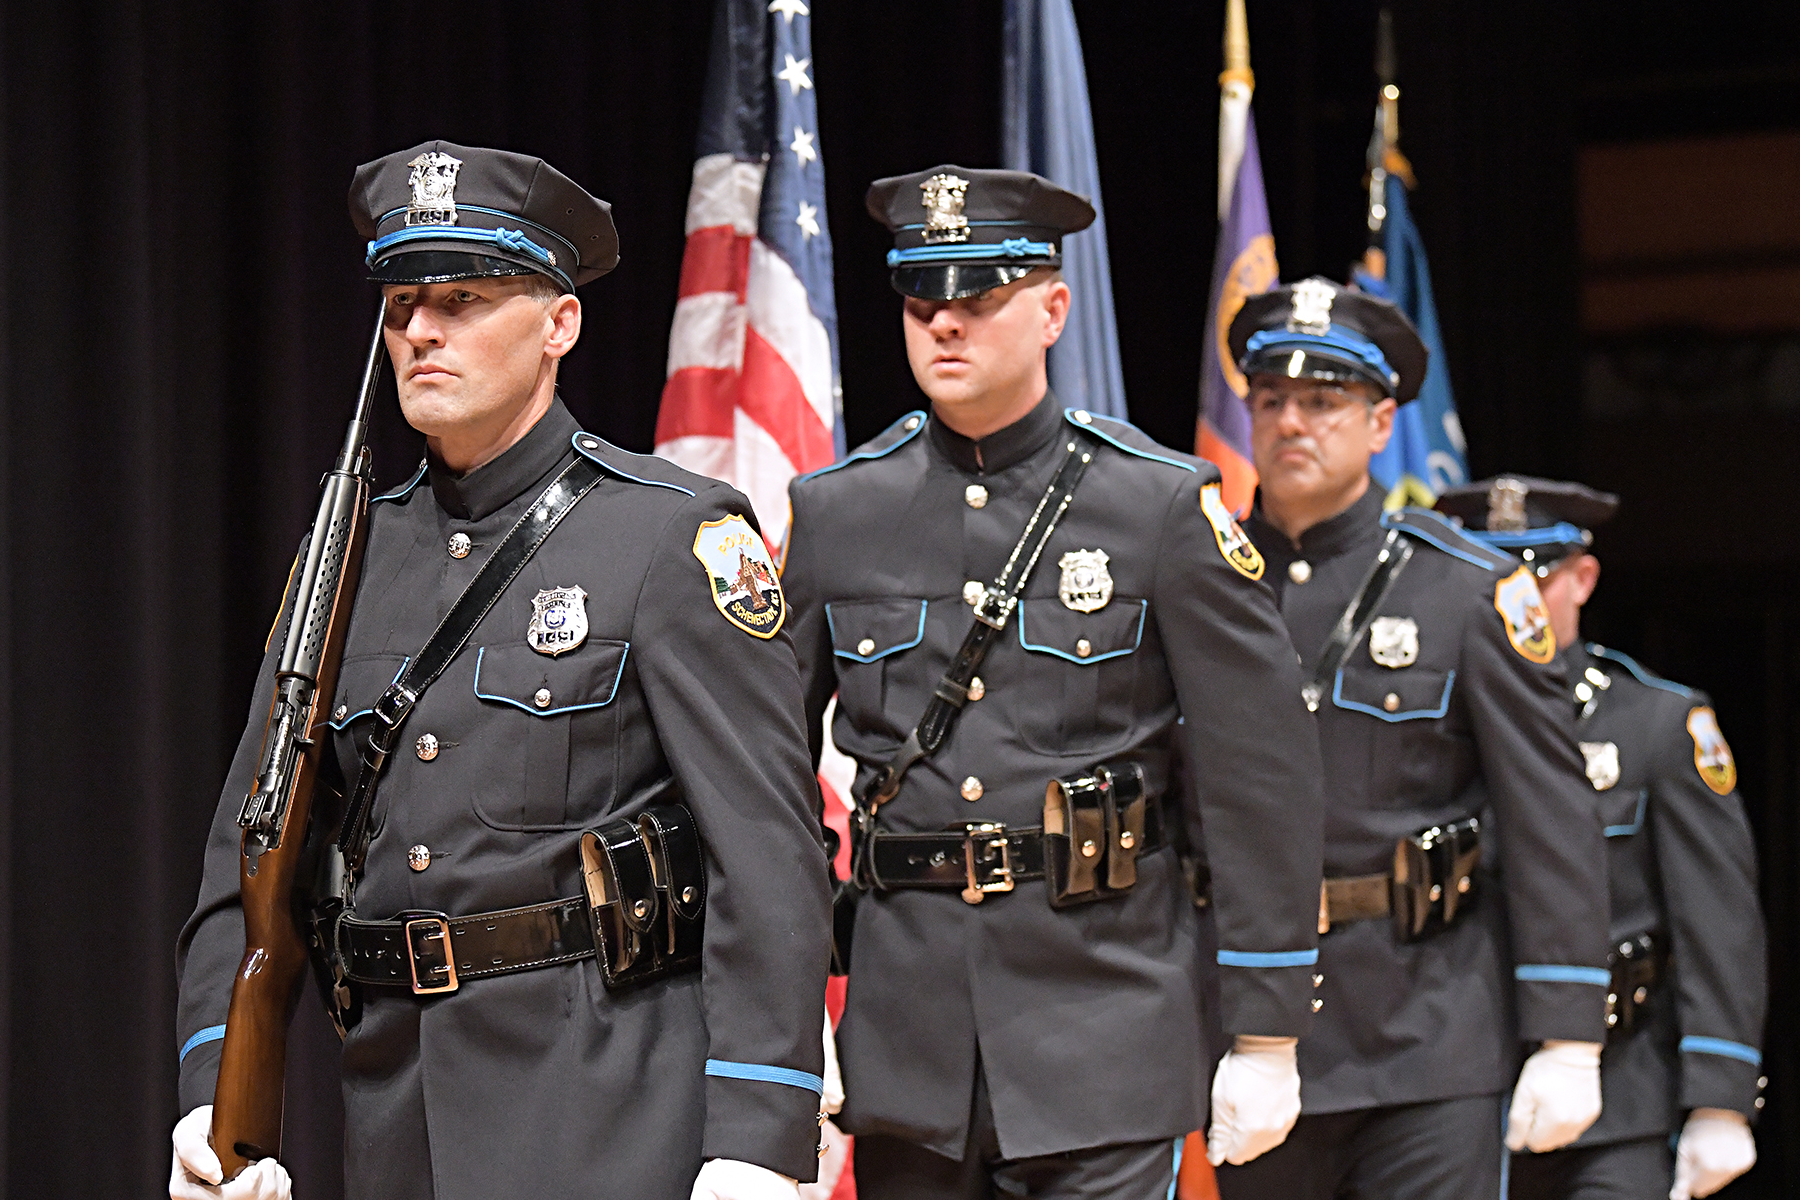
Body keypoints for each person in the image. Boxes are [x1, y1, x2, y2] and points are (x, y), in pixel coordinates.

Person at [170, 142, 833, 1200]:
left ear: (558, 324)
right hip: (392, 1113)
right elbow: (246, 853)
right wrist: (213, 1088)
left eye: (463, 298)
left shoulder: (669, 538)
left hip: (609, 1113)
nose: (420, 331)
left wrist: (757, 1136)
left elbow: (769, 859)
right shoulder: (349, 558)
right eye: (399, 306)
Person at [780, 164, 1328, 1200]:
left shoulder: (1157, 507)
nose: (945, 325)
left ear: (1051, 309)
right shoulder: (838, 512)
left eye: (978, 298)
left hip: (1105, 1025)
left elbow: (1259, 781)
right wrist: (784, 1012)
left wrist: (1267, 1030)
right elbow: (766, 784)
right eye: (921, 301)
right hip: (908, 1037)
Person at [1219, 278, 1613, 1200]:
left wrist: (1568, 1031)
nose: (1291, 423)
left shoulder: (1465, 591)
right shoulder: (1206, 581)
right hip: (1244, 1018)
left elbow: (1551, 813)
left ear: (1382, 422)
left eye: (1323, 402)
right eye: (1270, 401)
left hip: (1431, 1024)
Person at [1437, 476, 1767, 1200]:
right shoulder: (1426, 727)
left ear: (1582, 579)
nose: (1511, 599)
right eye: (1490, 575)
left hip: (1618, 1097)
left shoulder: (1654, 726)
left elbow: (1717, 924)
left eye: (1534, 574)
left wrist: (1721, 1095)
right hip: (1452, 1080)